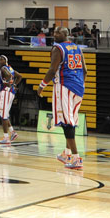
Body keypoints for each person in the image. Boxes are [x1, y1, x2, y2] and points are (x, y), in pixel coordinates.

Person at [39, 27, 87, 170]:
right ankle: (66, 154)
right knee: (71, 120)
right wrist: (80, 83)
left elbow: (52, 70)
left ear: (66, 34)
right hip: (79, 88)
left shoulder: (57, 48)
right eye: (54, 32)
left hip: (65, 86)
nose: (54, 34)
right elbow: (85, 70)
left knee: (67, 123)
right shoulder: (78, 48)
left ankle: (76, 158)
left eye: (58, 33)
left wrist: (42, 85)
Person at [0, 55, 21, 144]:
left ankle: (6, 137)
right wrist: (14, 85)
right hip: (10, 93)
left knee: (3, 115)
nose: (0, 61)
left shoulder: (3, 69)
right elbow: (20, 76)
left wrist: (9, 83)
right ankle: (12, 132)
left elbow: (8, 76)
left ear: (6, 61)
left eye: (2, 59)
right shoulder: (11, 68)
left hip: (5, 92)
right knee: (4, 114)